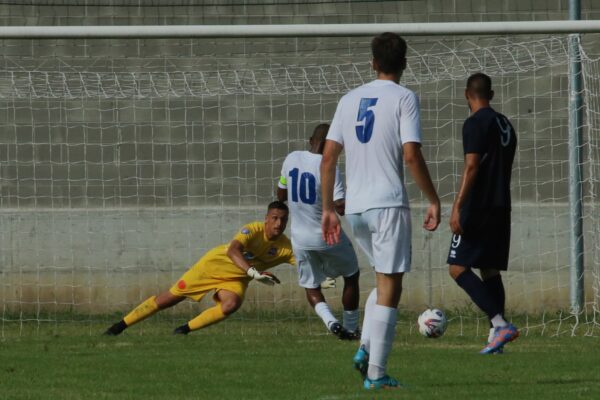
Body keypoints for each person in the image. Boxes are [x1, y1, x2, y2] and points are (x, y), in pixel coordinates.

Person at [320, 32, 441, 390]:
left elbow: (328, 158)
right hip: (387, 203)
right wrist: (433, 199)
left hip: (355, 208)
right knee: (391, 283)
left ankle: (365, 350)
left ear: (373, 63)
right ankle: (376, 373)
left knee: (382, 280)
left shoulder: (348, 98)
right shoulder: (404, 97)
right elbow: (411, 154)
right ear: (404, 63)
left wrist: (328, 208)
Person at [104, 201, 294, 336]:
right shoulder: (252, 229)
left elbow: (304, 264)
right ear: (266, 219)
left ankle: (182, 331)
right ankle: (119, 327)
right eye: (275, 218)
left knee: (231, 305)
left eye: (283, 220)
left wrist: (321, 279)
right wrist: (254, 273)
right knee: (168, 300)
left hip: (235, 279)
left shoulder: (286, 247)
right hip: (211, 266)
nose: (279, 223)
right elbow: (233, 251)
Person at [447, 72, 519, 354]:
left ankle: (500, 324)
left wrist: (457, 205)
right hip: (501, 205)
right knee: (489, 269)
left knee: (457, 267)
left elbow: (472, 166)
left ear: (467, 94)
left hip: (478, 206)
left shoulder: (475, 123)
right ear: (492, 93)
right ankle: (496, 339)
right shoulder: (506, 124)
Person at [277, 123, 360, 340]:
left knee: (311, 285)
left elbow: (280, 194)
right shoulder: (329, 166)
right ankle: (350, 328)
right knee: (351, 275)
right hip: (327, 235)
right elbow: (340, 207)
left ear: (310, 140)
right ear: (333, 145)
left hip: (300, 239)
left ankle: (330, 322)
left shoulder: (291, 158)